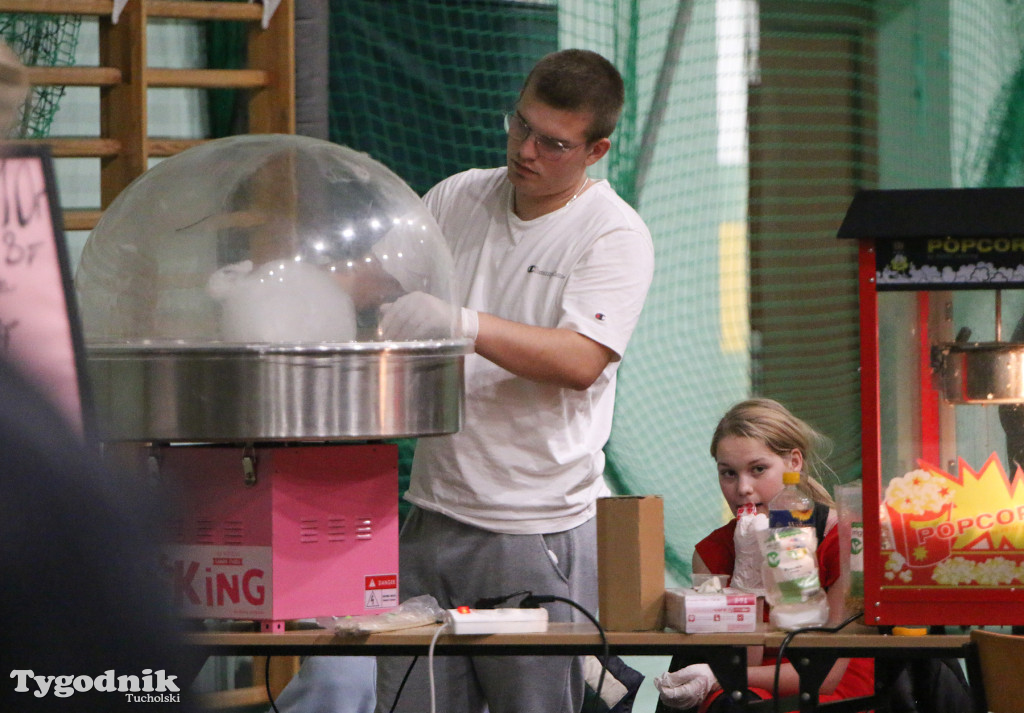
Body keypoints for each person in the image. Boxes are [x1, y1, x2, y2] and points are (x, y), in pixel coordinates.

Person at [374, 48, 655, 713]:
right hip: (432, 512)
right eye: (520, 125)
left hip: (534, 527)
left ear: (596, 150)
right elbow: (376, 280)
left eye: (554, 142)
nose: (526, 150)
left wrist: (463, 323)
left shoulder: (613, 233)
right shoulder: (457, 195)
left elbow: (582, 358)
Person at [654, 398, 874, 712]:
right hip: (745, 686)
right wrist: (749, 583)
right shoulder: (712, 552)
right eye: (728, 473)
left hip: (832, 693)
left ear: (794, 464)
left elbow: (823, 675)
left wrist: (717, 676)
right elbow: (742, 658)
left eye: (758, 469)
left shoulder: (846, 541)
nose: (742, 488)